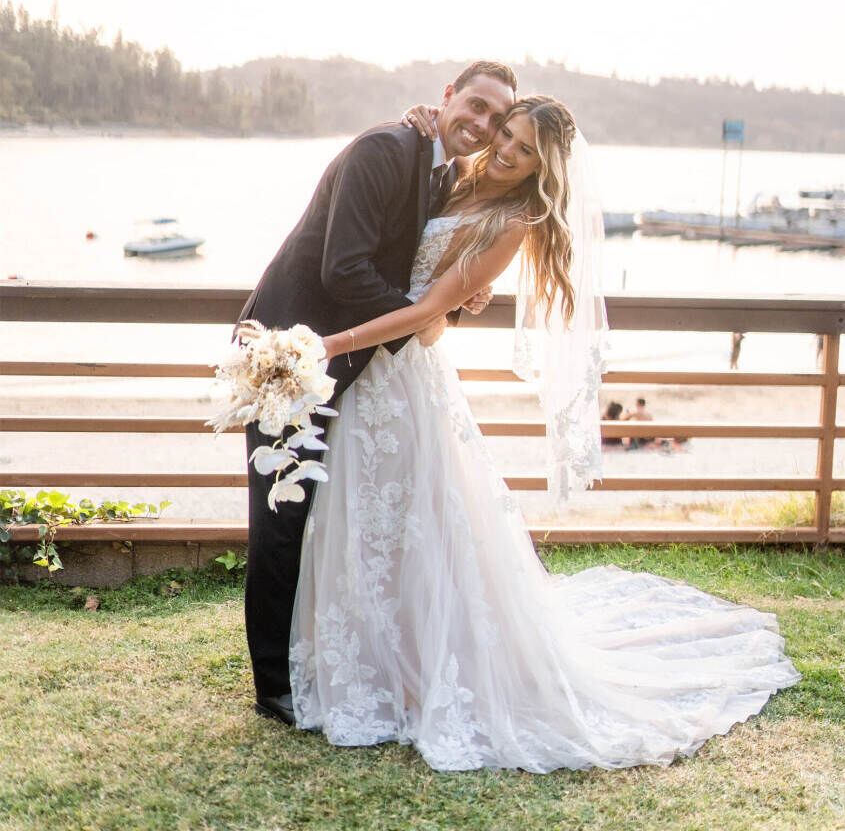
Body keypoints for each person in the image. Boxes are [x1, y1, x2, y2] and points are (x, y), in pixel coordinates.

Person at [284, 96, 799, 772]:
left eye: (525, 149)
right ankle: (369, 663)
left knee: (420, 526)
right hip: (369, 378)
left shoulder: (514, 222)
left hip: (406, 377)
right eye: (508, 135)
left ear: (543, 167)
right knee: (366, 520)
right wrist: (421, 121)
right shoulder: (450, 175)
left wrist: (328, 343)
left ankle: (416, 678)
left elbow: (429, 310)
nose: (507, 151)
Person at [237, 61, 517, 725]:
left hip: (350, 370)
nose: (480, 124)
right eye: (474, 105)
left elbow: (423, 251)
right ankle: (274, 688)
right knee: (281, 523)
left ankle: (328, 664)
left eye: (495, 120)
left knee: (332, 523)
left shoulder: (440, 168)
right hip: (293, 355)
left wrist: (468, 288)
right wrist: (423, 323)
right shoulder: (383, 149)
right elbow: (343, 268)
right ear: (447, 96)